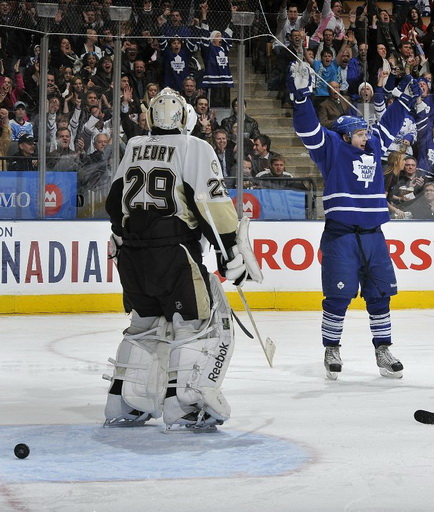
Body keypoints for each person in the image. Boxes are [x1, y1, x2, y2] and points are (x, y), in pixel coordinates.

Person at [103, 87, 260, 430]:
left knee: (145, 324)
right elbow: (212, 204)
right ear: (185, 117)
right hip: (174, 255)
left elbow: (114, 203)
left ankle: (125, 400)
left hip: (131, 255)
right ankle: (185, 404)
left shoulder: (134, 147)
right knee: (199, 325)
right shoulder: (194, 147)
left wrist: (127, 233)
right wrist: (229, 248)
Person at [287, 61, 422, 380]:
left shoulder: (374, 148)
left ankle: (383, 349)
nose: (367, 135)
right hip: (341, 236)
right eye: (360, 132)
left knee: (380, 294)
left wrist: (402, 99)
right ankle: (331, 348)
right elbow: (308, 130)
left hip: (374, 236)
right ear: (347, 136)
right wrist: (301, 98)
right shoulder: (331, 148)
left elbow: (388, 124)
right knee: (337, 296)